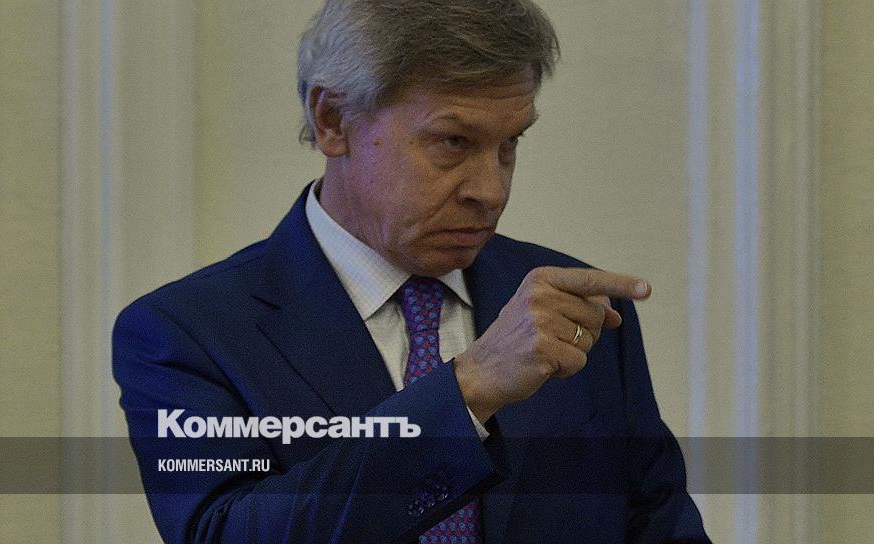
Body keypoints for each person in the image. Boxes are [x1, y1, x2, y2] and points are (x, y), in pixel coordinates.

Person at [112, 1, 711, 542]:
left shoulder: (575, 313)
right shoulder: (186, 333)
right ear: (333, 120)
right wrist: (465, 393)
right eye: (453, 142)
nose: (491, 190)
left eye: (509, 145)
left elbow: (659, 526)